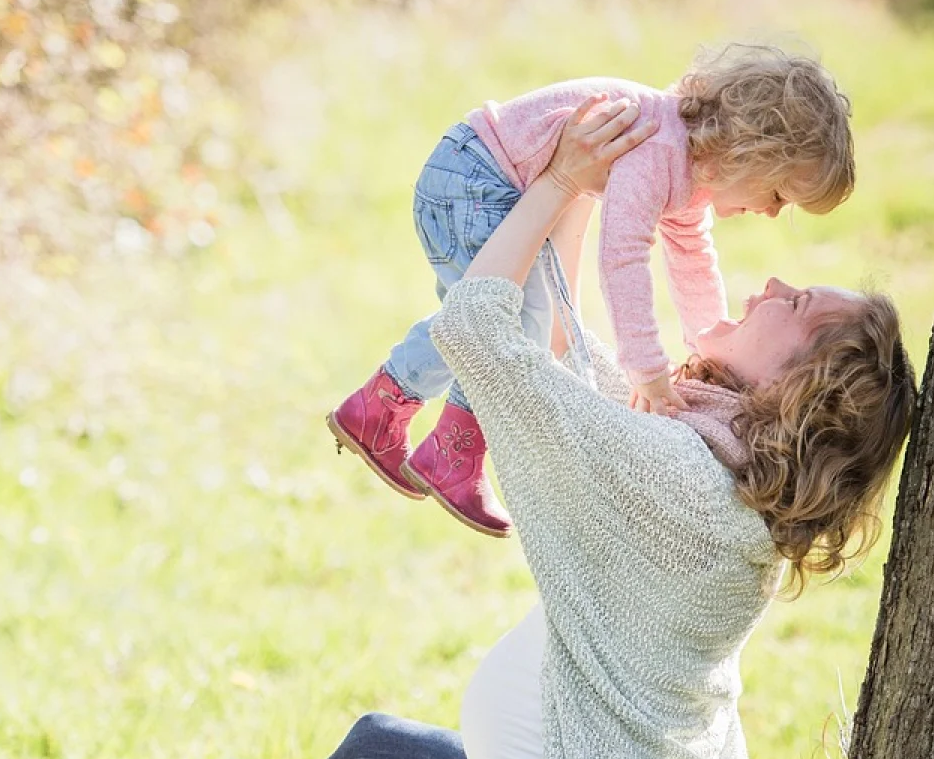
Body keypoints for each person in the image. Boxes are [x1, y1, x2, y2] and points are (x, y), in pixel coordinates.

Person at [0, 96, 914, 759]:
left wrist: (550, 183)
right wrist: (587, 189)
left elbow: (481, 333)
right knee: (373, 743)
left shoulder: (677, 483)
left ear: (802, 390)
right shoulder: (709, 462)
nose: (776, 279)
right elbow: (561, 360)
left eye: (794, 306)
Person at [328, 44, 855, 537]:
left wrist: (706, 348)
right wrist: (646, 368)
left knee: (504, 316)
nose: (769, 212)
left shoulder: (691, 170)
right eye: (779, 193)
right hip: (473, 180)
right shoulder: (661, 150)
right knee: (503, 319)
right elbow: (622, 256)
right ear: (747, 152)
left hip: (484, 178)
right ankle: (448, 448)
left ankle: (383, 411)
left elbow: (693, 262)